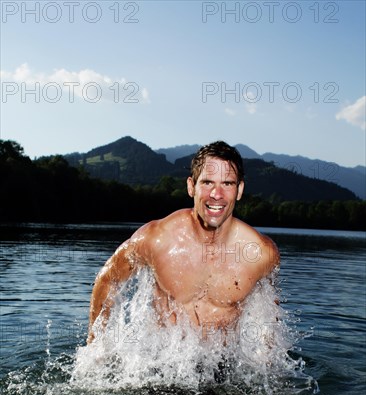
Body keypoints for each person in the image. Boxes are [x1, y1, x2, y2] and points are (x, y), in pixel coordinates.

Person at [87, 141, 280, 345]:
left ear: (239, 190)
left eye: (227, 183)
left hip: (224, 366)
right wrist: (95, 344)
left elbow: (269, 315)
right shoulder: (156, 239)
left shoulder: (261, 253)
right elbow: (109, 279)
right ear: (191, 187)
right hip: (164, 361)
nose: (217, 194)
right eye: (207, 182)